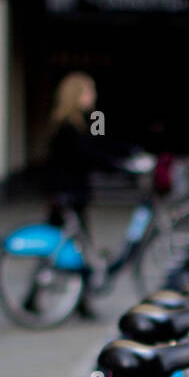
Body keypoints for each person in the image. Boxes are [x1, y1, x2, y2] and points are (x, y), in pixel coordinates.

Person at [43, 71, 133, 319]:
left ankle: (77, 300)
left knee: (70, 248)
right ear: (76, 95)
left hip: (73, 195)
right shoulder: (67, 127)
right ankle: (76, 301)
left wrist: (126, 153)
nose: (92, 96)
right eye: (88, 91)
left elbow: (99, 143)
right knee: (67, 249)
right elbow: (87, 154)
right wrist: (118, 166)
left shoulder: (84, 121)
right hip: (66, 196)